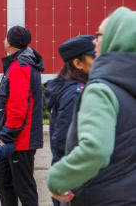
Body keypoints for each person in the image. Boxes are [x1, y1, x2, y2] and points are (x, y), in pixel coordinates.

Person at [47, 6, 136, 206]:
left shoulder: (101, 90)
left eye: (99, 35)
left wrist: (58, 179)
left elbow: (94, 150)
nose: (94, 41)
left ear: (116, 39)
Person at [0, 26, 44, 206]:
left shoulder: (21, 67)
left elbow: (18, 107)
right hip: (13, 139)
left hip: (19, 140)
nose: (3, 41)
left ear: (11, 43)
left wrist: (6, 135)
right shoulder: (18, 64)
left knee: (23, 187)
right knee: (2, 179)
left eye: (5, 38)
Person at [44, 35, 95, 206]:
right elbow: (64, 139)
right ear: (78, 63)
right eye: (94, 57)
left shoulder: (71, 88)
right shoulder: (75, 94)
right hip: (74, 179)